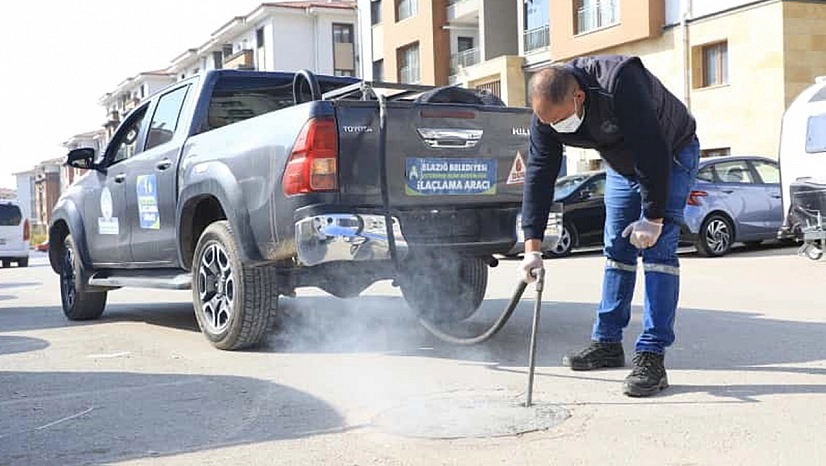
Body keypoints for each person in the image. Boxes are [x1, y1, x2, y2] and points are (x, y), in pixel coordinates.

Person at [518, 55, 700, 397]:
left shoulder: (620, 82)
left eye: (558, 120)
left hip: (671, 153)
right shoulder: (546, 114)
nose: (554, 128)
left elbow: (652, 148)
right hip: (620, 164)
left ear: (579, 98)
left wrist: (653, 218)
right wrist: (532, 248)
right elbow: (540, 174)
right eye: (546, 121)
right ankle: (608, 343)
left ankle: (651, 354)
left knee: (658, 251)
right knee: (617, 249)